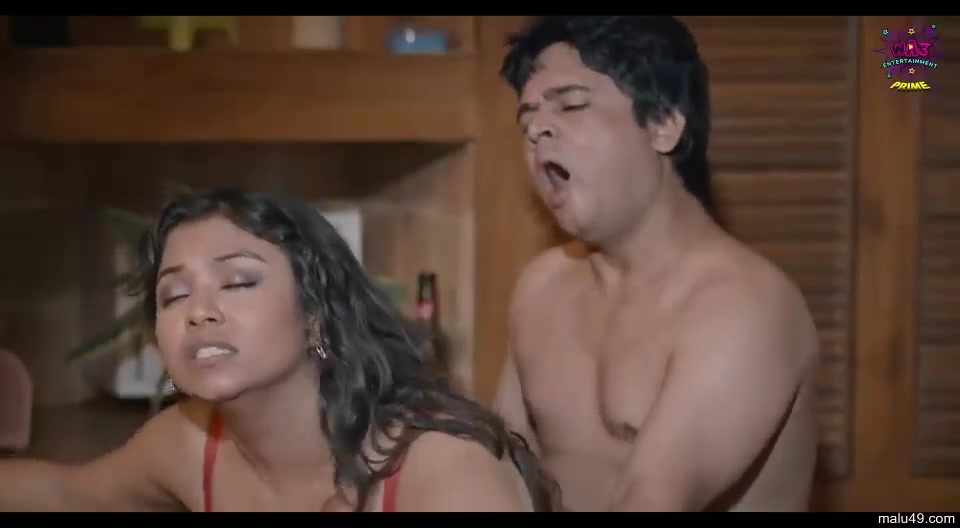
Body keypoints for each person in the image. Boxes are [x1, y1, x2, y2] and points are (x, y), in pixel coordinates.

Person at [0, 188, 560, 512]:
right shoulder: (190, 444)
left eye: (239, 281)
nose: (199, 310)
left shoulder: (442, 469)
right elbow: (66, 493)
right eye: (174, 294)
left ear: (316, 313)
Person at [493, 16, 819, 512]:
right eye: (528, 118)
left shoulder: (746, 304)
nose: (537, 129)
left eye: (571, 104)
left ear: (664, 123)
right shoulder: (540, 287)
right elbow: (502, 477)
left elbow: (652, 497)